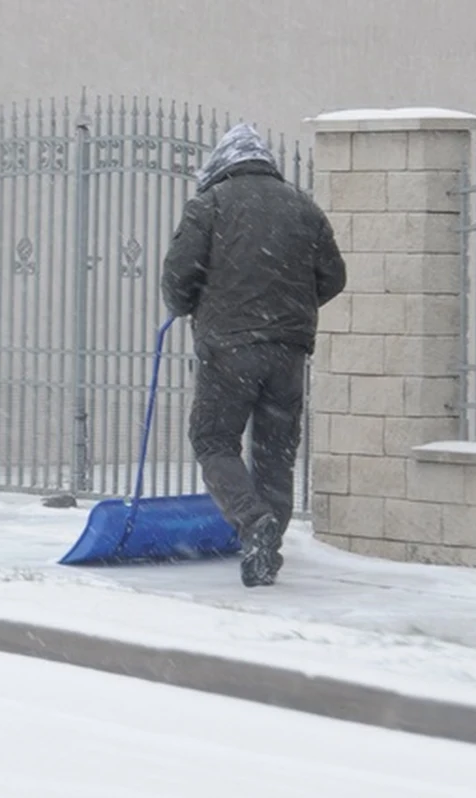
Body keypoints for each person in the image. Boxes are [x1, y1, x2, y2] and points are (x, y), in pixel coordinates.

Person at [160, 123, 346, 588]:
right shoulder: (303, 207)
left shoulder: (210, 205)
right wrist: (289, 309)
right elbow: (334, 277)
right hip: (288, 351)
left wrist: (189, 305)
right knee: (275, 452)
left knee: (213, 439)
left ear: (221, 164)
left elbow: (179, 276)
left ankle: (252, 521)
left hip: (229, 349)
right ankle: (266, 546)